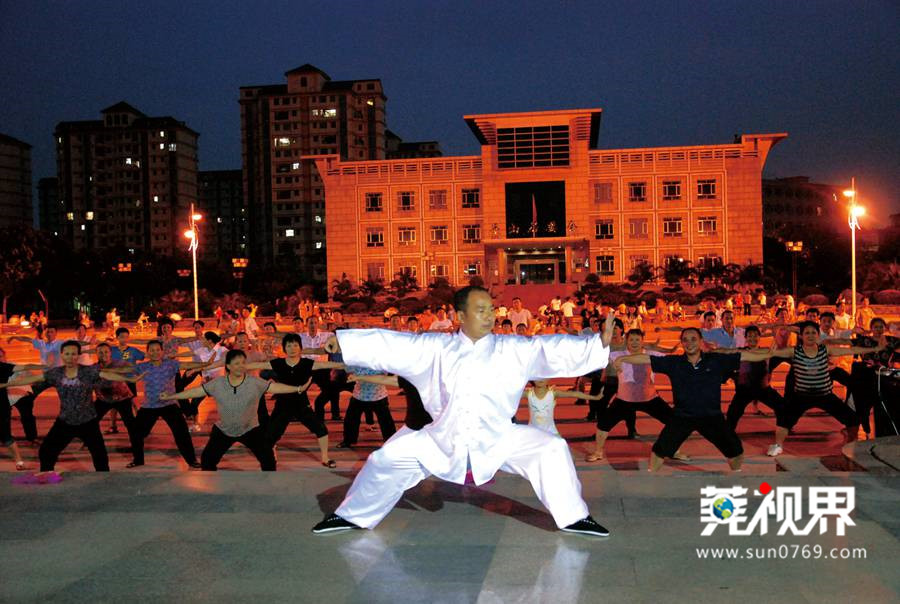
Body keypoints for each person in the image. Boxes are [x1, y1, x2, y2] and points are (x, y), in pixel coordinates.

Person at [311, 286, 615, 537]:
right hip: (441, 439)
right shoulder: (435, 348)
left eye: (491, 310)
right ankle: (352, 516)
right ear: (460, 316)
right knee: (384, 460)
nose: (490, 316)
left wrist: (595, 345)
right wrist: (344, 343)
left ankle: (574, 517)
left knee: (551, 450)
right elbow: (392, 344)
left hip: (499, 437)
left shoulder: (513, 349)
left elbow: (549, 348)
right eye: (481, 310)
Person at [614, 328, 774, 472]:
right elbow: (645, 359)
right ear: (682, 343)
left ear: (701, 341)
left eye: (693, 339)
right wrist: (622, 359)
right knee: (659, 451)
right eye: (685, 340)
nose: (689, 343)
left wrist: (768, 354)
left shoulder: (716, 360)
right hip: (682, 416)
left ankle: (736, 475)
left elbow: (744, 356)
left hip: (712, 417)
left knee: (736, 451)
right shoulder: (674, 363)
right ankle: (651, 476)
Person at [0, 340, 141, 472]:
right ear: (62, 355)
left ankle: (103, 479)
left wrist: (129, 378)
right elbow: (34, 378)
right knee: (46, 451)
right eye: (67, 354)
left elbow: (107, 375)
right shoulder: (56, 373)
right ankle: (47, 475)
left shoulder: (88, 371)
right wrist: (6, 384)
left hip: (88, 421)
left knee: (100, 456)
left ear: (78, 355)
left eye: (74, 354)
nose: (70, 357)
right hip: (65, 421)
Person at [160, 350, 311, 471]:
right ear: (228, 366)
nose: (241, 366)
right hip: (224, 430)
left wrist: (298, 388)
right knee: (207, 461)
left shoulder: (254, 382)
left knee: (269, 461)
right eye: (236, 363)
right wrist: (172, 396)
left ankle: (268, 487)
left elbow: (275, 387)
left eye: (243, 363)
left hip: (250, 429)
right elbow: (196, 391)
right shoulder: (218, 383)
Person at [766, 322, 883, 455]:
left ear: (818, 335)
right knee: (784, 420)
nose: (810, 336)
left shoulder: (825, 350)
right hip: (802, 396)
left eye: (813, 333)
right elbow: (772, 355)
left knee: (853, 420)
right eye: (807, 333)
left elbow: (850, 350)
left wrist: (874, 349)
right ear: (801, 336)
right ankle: (778, 446)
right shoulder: (794, 351)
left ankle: (851, 443)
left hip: (825, 395)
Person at [587, 329, 687, 463]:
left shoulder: (651, 355)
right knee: (603, 424)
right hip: (624, 400)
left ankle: (673, 450)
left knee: (674, 422)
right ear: (626, 341)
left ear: (642, 341)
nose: (634, 343)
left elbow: (672, 360)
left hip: (650, 398)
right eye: (631, 340)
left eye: (637, 340)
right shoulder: (616, 355)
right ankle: (598, 452)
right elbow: (596, 355)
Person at [247, 333, 342, 466]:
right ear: (284, 348)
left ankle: (325, 458)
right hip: (282, 405)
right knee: (271, 435)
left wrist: (349, 363)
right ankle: (270, 455)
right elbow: (254, 365)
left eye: (295, 345)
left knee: (321, 429)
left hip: (302, 405)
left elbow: (329, 364)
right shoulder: (278, 363)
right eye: (289, 346)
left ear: (300, 348)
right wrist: (236, 366)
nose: (292, 348)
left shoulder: (307, 363)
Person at [129, 341, 210, 468]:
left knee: (182, 433)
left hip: (169, 404)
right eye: (152, 350)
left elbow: (187, 364)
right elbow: (126, 369)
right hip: (150, 406)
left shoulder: (170, 364)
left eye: (158, 350)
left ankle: (191, 460)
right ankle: (138, 460)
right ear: (148, 352)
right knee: (136, 433)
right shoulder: (143, 367)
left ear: (162, 351)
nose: (155, 352)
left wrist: (206, 364)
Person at [723, 326, 786, 432]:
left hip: (763, 389)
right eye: (750, 336)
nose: (752, 338)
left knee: (782, 407)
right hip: (744, 390)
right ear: (746, 338)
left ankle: (784, 427)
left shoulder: (766, 352)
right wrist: (732, 377)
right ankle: (728, 433)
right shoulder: (739, 352)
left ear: (759, 337)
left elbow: (780, 351)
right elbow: (727, 366)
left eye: (755, 336)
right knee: (733, 413)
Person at [92, 342, 143, 459]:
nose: (103, 354)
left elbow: (135, 370)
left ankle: (138, 455)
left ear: (111, 353)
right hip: (103, 400)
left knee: (131, 425)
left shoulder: (120, 364)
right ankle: (94, 446)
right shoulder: (93, 368)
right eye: (100, 352)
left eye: (106, 351)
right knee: (90, 422)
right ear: (96, 354)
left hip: (122, 398)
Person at [0, 348, 44, 469]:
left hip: (18, 397)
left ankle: (31, 440)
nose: (0, 359)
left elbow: (30, 373)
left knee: (26, 417)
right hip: (7, 399)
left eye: (1, 356)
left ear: (5, 356)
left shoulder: (11, 367)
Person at [338, 365, 397, 448]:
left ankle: (391, 441)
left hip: (378, 396)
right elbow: (347, 370)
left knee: (386, 421)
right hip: (359, 395)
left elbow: (389, 373)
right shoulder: (358, 362)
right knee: (351, 420)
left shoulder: (379, 363)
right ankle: (348, 440)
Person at [522, 380, 601, 436]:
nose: (541, 380)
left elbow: (574, 394)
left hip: (551, 431)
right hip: (532, 432)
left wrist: (595, 397)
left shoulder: (553, 393)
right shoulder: (528, 394)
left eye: (544, 376)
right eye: (537, 377)